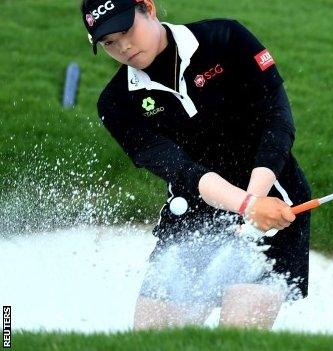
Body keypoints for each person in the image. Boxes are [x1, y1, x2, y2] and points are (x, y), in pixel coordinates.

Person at [79, 0, 311, 330]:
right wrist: (246, 205)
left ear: (149, 7)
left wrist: (256, 202)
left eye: (127, 30)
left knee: (236, 339)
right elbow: (182, 170)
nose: (123, 46)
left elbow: (278, 122)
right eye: (109, 43)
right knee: (151, 341)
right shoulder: (117, 104)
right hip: (193, 213)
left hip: (274, 203)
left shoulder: (226, 38)